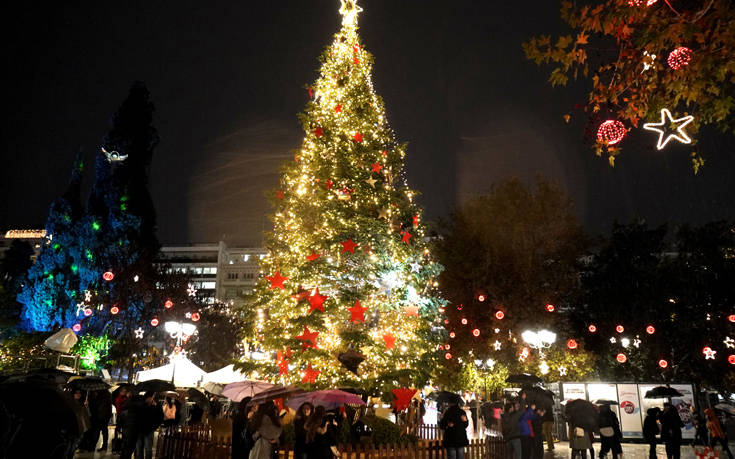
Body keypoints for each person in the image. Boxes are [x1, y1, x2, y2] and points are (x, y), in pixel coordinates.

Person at [135, 391, 162, 459]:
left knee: (148, 449)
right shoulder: (141, 404)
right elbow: (138, 415)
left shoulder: (157, 405)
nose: (152, 398)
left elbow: (160, 417)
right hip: (139, 429)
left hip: (149, 430)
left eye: (153, 397)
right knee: (139, 449)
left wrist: (154, 427)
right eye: (151, 396)